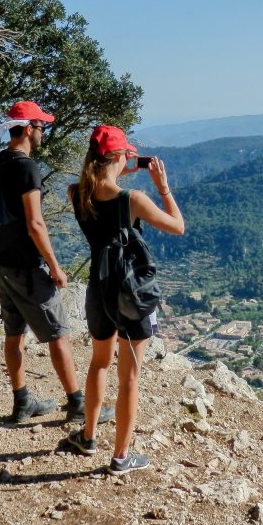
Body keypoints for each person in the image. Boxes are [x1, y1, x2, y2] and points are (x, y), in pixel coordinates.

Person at [65, 125, 184, 475]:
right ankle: (120, 457)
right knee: (129, 377)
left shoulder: (76, 193)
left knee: (99, 363)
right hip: (131, 295)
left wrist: (117, 169)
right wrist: (162, 186)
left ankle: (87, 438)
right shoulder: (132, 200)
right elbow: (178, 226)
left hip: (97, 292)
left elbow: (98, 187)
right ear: (119, 157)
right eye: (125, 156)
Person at [0, 101, 114, 426]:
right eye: (42, 127)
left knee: (13, 335)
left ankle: (22, 402)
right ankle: (77, 404)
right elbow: (35, 223)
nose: (44, 132)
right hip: (26, 267)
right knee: (58, 334)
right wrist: (54, 265)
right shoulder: (26, 167)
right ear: (29, 129)